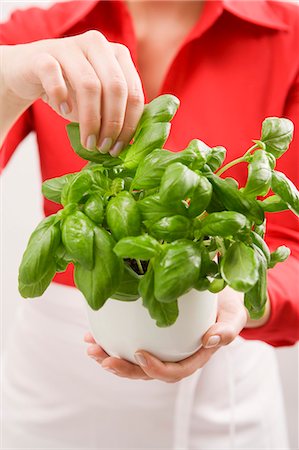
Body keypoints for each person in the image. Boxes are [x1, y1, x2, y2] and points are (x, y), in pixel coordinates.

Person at [1, 0, 298, 448]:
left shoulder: (289, 36)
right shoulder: (41, 31)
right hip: (58, 382)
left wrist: (243, 297)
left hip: (223, 394)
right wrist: (8, 76)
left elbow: (292, 246)